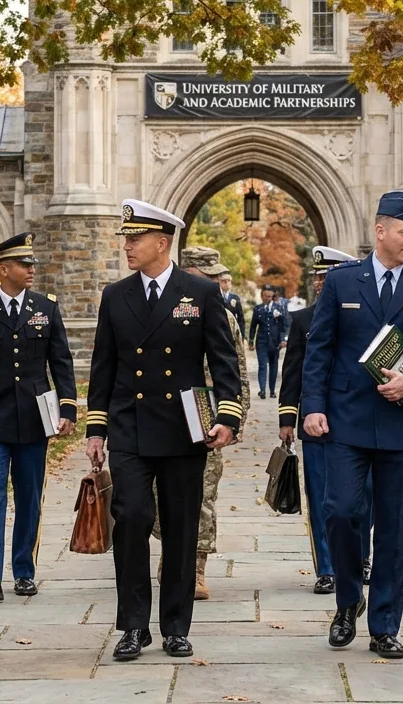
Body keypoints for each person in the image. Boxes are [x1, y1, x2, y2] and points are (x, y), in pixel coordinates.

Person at [301, 190, 403, 660]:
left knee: (394, 528)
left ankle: (385, 625)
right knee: (342, 512)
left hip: (400, 425)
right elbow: (320, 350)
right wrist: (312, 406)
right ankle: (348, 601)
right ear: (381, 231)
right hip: (346, 421)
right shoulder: (343, 283)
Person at [84, 200, 243, 661]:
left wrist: (227, 417)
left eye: (135, 239)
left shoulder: (200, 292)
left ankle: (176, 624)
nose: (128, 246)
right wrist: (97, 428)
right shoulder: (116, 295)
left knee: (180, 527)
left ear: (162, 241)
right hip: (130, 427)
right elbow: (104, 367)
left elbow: (223, 361)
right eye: (126, 239)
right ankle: (133, 626)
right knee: (131, 518)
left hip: (183, 429)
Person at [0, 232, 77, 603]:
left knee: (28, 497)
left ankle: (24, 570)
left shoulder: (46, 307)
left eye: (32, 264)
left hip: (34, 419)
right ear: (3, 269)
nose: (32, 269)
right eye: (25, 264)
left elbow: (62, 362)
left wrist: (67, 408)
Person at [151, 246, 250, 601]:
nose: (215, 282)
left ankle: (195, 567)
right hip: (161, 414)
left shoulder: (222, 313)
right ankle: (170, 555)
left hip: (205, 413)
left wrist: (234, 417)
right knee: (160, 494)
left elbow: (236, 368)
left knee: (203, 496)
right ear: (191, 271)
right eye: (209, 276)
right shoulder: (158, 304)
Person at [278, 245, 374, 595]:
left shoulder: (366, 313)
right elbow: (294, 373)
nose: (321, 283)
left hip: (359, 418)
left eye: (327, 276)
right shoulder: (303, 319)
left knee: (364, 494)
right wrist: (287, 416)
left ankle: (361, 556)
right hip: (315, 422)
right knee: (322, 496)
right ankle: (329, 568)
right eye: (318, 277)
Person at [249, 286, 288, 399]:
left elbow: (283, 326)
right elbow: (253, 326)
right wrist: (251, 341)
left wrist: (283, 339)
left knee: (273, 366)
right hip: (261, 341)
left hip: (274, 342)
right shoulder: (258, 309)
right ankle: (262, 390)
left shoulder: (278, 308)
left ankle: (272, 390)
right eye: (266, 296)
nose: (268, 298)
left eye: (270, 296)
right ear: (262, 296)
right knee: (262, 365)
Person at [220, 272, 247, 342]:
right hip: (220, 330)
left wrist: (242, 335)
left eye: (229, 281)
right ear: (220, 283)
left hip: (232, 331)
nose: (227, 283)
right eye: (224, 281)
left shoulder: (235, 298)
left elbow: (241, 318)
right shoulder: (216, 296)